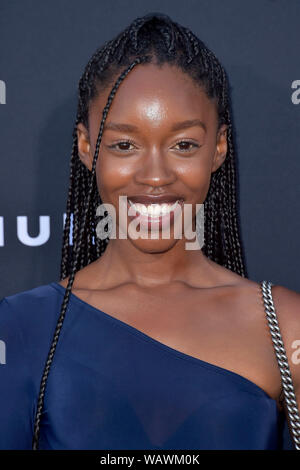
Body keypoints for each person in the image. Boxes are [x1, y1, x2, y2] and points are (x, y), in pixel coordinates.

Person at [1, 12, 300, 451]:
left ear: (218, 148)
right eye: (124, 145)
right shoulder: (21, 328)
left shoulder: (285, 324)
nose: (155, 175)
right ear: (87, 148)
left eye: (184, 145)